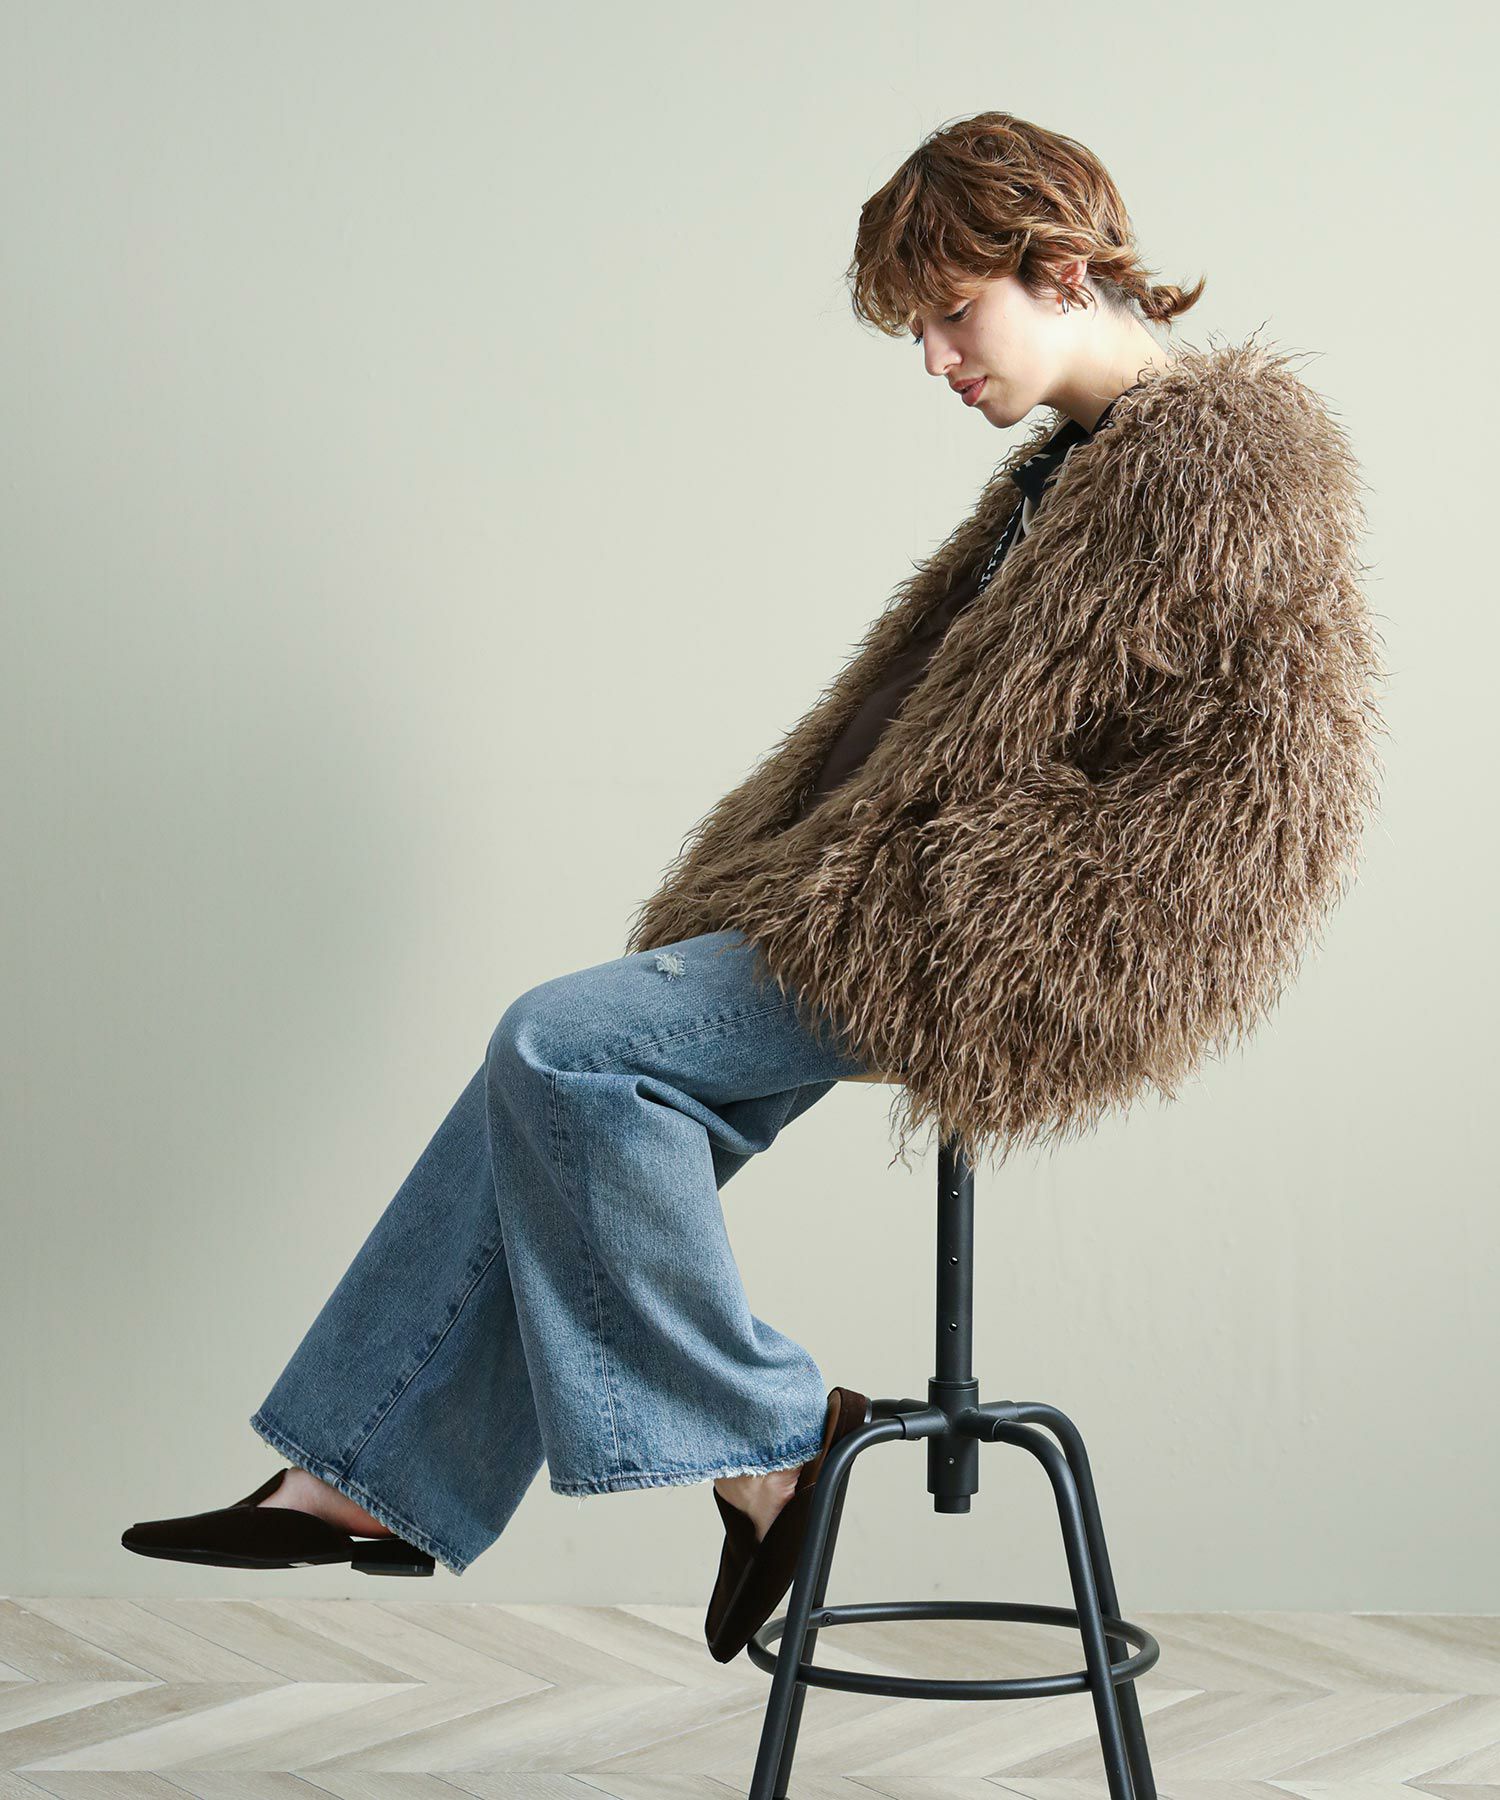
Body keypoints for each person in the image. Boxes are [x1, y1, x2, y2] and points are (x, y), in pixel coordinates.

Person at [122, 111, 1379, 1666]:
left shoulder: (1210, 467)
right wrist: (779, 864)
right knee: (563, 1093)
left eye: (952, 314)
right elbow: (927, 724)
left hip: (1016, 931)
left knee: (563, 1046)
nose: (937, 359)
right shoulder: (1074, 469)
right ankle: (363, 1476)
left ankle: (771, 1446)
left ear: (1060, 269)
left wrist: (830, 884)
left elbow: (1089, 779)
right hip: (896, 893)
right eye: (917, 330)